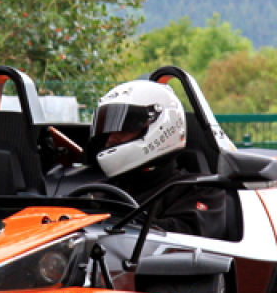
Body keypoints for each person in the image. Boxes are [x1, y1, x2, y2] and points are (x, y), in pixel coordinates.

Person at [87, 80, 228, 239]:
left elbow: (184, 243)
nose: (112, 138)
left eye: (125, 127)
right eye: (109, 129)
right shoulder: (98, 192)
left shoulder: (199, 190)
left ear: (162, 127)